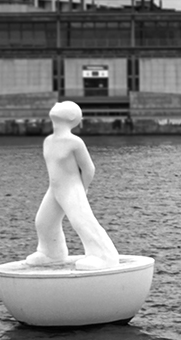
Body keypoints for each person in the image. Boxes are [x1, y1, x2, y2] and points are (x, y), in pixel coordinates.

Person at [26, 101, 119, 271]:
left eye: (62, 104)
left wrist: (82, 188)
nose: (57, 103)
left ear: (70, 117)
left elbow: (89, 169)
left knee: (82, 222)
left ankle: (104, 256)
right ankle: (51, 253)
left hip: (71, 188)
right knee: (43, 221)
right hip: (54, 188)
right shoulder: (48, 141)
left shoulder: (74, 142)